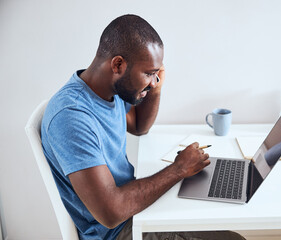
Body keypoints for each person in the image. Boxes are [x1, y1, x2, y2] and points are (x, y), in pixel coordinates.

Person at [41, 14, 246, 240]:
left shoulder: (108, 91)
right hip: (117, 231)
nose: (153, 80)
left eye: (156, 74)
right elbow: (112, 212)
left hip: (134, 211)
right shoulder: (72, 116)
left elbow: (139, 126)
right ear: (118, 64)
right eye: (149, 73)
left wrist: (154, 87)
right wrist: (179, 169)